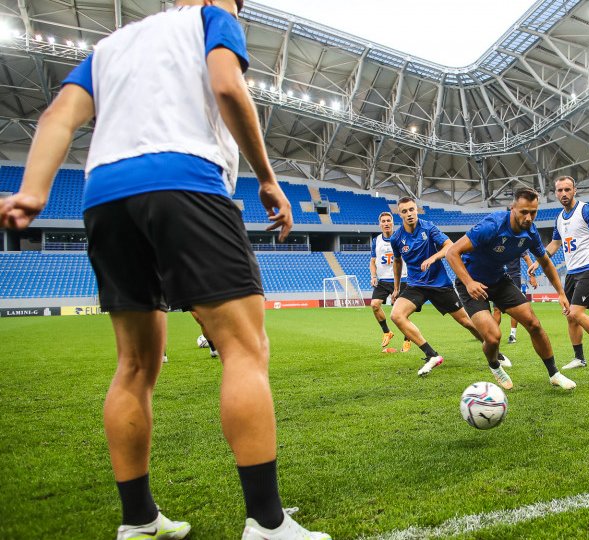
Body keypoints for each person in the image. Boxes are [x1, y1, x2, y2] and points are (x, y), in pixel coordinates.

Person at [0, 1, 331, 538]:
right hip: (185, 180)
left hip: (104, 195)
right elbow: (227, 86)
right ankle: (268, 525)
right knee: (245, 350)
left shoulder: (109, 47)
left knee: (134, 365)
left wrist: (33, 190)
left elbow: (58, 114)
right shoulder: (210, 17)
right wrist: (267, 179)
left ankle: (139, 521)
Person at [446, 188, 577, 391]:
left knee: (533, 323)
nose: (528, 217)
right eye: (523, 211)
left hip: (499, 280)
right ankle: (494, 365)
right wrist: (470, 283)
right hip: (471, 283)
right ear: (512, 207)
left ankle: (554, 373)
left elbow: (546, 262)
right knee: (492, 337)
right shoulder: (492, 225)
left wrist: (560, 293)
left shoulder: (530, 233)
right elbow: (452, 252)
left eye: (533, 212)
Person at [389, 197, 504, 376]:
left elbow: (449, 246)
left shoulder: (428, 227)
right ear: (400, 214)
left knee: (467, 322)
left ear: (416, 210)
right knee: (396, 315)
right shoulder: (396, 238)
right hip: (416, 285)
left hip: (439, 283)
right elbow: (397, 262)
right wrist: (396, 288)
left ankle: (496, 352)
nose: (409, 214)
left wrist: (433, 257)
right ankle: (431, 354)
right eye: (404, 211)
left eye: (412, 210)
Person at [529, 176, 589, 371]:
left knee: (577, 312)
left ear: (574, 190)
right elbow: (555, 244)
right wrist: (538, 261)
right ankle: (579, 358)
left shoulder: (587, 210)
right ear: (555, 193)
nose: (564, 194)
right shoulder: (559, 218)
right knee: (570, 315)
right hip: (572, 272)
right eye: (560, 190)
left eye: (567, 189)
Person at [370, 211, 412, 353]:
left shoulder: (401, 238)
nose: (386, 223)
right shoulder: (376, 241)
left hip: (401, 280)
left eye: (389, 221)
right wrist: (373, 276)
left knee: (401, 313)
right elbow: (373, 261)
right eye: (384, 221)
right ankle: (387, 332)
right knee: (375, 305)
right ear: (380, 224)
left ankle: (407, 338)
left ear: (393, 223)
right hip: (383, 280)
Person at [493, 253, 538, 344]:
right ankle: (492, 334)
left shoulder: (517, 239)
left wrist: (532, 276)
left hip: (513, 276)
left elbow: (527, 258)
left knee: (514, 308)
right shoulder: (495, 240)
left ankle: (512, 335)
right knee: (496, 309)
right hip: (498, 276)